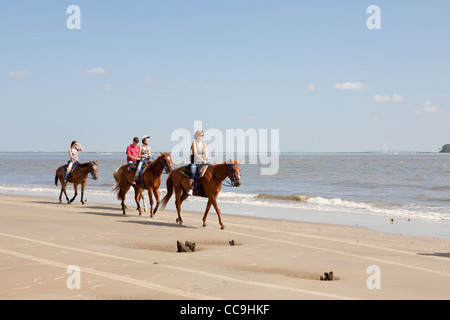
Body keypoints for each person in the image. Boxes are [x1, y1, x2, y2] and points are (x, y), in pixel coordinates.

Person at [188, 130, 209, 195]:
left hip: (203, 161)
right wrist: (202, 160)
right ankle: (190, 189)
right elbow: (195, 153)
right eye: (200, 135)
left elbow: (206, 153)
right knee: (192, 172)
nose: (201, 137)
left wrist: (207, 157)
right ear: (197, 136)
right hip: (195, 161)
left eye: (202, 135)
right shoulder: (194, 143)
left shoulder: (204, 144)